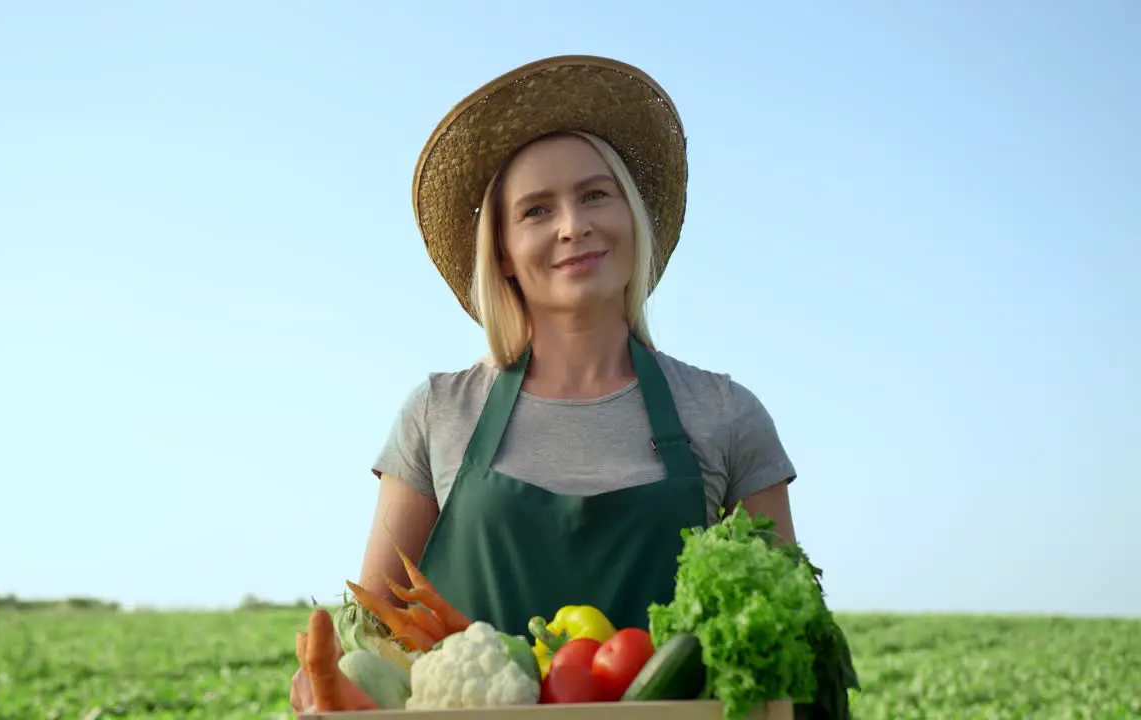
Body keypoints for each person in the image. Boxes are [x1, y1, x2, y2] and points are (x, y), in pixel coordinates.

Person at [292, 54, 798, 711]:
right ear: (500, 251)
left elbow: (786, 639)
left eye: (595, 195)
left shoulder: (727, 416)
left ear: (631, 215)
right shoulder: (437, 413)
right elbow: (372, 642)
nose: (572, 225)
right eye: (536, 210)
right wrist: (326, 689)